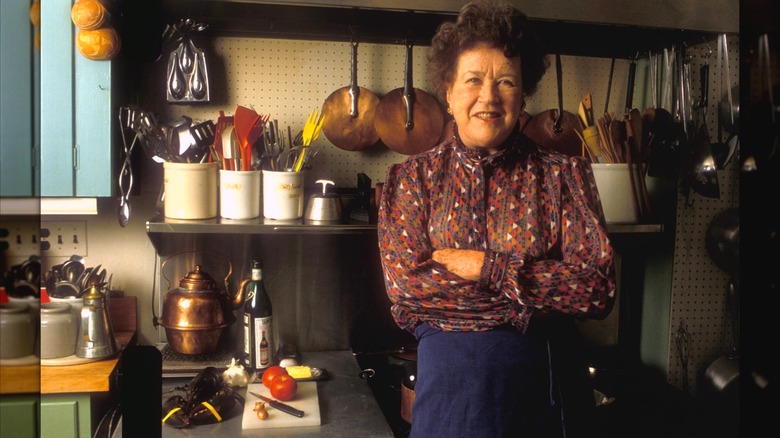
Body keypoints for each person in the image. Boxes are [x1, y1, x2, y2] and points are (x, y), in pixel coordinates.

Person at [377, 1, 617, 437]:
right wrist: (532, 303)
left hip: (548, 397)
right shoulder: (412, 179)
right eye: (472, 80)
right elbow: (407, 290)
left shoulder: (564, 175)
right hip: (450, 398)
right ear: (448, 93)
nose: (488, 97)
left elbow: (596, 289)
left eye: (505, 81)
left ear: (523, 94)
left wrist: (489, 267)